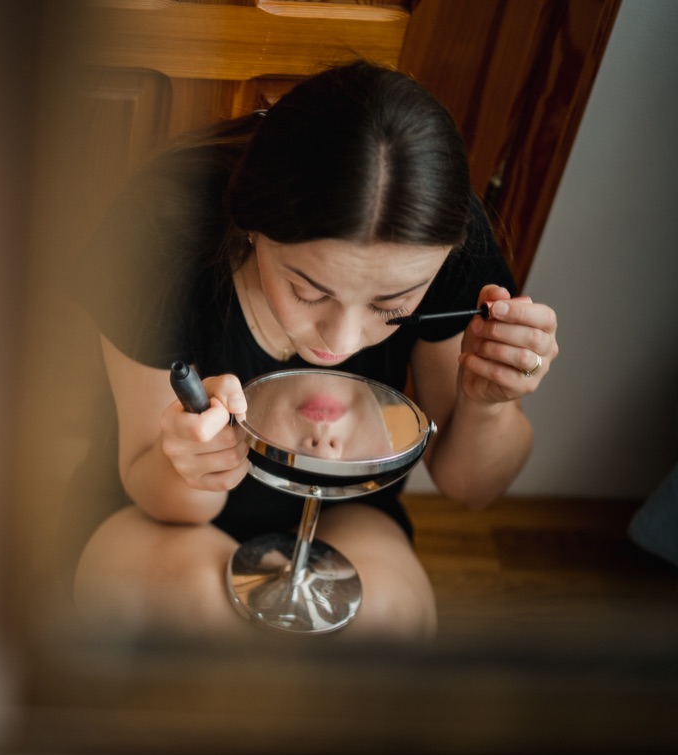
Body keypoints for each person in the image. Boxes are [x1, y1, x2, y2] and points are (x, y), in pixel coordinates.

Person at [62, 60, 560, 643]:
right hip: (157, 511)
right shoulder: (162, 231)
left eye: (392, 305)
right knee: (205, 617)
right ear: (252, 224)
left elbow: (472, 489)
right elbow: (167, 500)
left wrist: (489, 400)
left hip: (348, 513)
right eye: (308, 291)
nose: (340, 342)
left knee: (385, 621)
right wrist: (192, 461)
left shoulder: (443, 240)